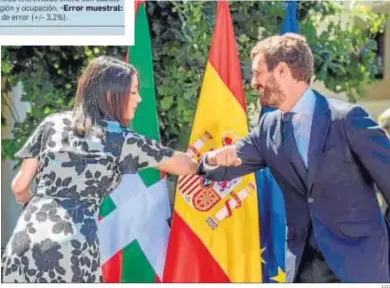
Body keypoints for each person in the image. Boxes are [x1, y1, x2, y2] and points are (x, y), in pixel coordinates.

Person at [197, 33, 390, 283]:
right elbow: (227, 165)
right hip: (303, 268)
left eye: (257, 73)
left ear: (282, 71)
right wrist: (212, 159)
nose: (253, 81)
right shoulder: (269, 127)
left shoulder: (348, 119)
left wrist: (382, 242)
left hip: (361, 266)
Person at [1, 56, 199, 283]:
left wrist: (33, 203)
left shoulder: (52, 123)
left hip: (24, 239)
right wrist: (211, 158)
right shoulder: (121, 139)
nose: (139, 99)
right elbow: (185, 165)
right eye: (133, 92)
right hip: (73, 246)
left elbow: (19, 186)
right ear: (110, 95)